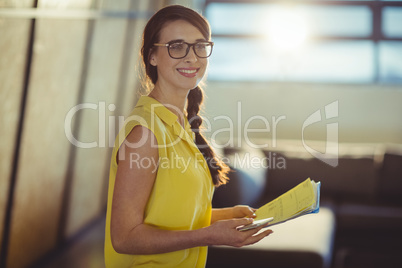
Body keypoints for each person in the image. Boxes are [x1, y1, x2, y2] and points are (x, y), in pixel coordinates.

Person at [104, 5, 273, 267]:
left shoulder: (181, 123)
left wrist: (229, 215)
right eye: (177, 46)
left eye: (199, 46)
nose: (192, 57)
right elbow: (124, 238)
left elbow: (175, 215)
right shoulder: (146, 132)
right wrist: (207, 235)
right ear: (152, 56)